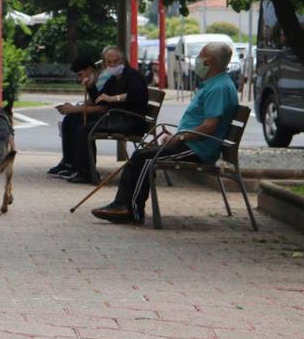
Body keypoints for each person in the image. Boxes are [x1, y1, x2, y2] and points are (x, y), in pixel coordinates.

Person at [92, 41, 239, 224]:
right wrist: (178, 137)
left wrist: (181, 136)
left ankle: (129, 210)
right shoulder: (214, 84)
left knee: (145, 158)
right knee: (142, 154)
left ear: (211, 62)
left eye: (201, 56)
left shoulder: (219, 88)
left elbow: (210, 126)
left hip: (199, 148)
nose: (197, 60)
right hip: (191, 142)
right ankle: (122, 205)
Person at [65, 46, 149, 184]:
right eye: (109, 62)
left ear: (122, 60)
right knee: (80, 125)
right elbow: (100, 99)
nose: (112, 65)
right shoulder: (113, 79)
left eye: (116, 61)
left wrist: (114, 98)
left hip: (131, 120)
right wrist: (91, 86)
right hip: (117, 117)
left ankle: (87, 173)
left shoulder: (133, 75)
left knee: (85, 130)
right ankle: (78, 168)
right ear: (105, 63)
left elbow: (137, 95)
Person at [48, 56, 100, 179]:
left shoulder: (104, 80)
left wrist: (76, 109)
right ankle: (69, 162)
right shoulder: (92, 82)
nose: (80, 78)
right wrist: (73, 108)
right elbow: (93, 101)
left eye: (80, 74)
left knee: (79, 125)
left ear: (89, 69)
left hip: (110, 117)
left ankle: (82, 168)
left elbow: (103, 108)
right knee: (70, 118)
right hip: (102, 114)